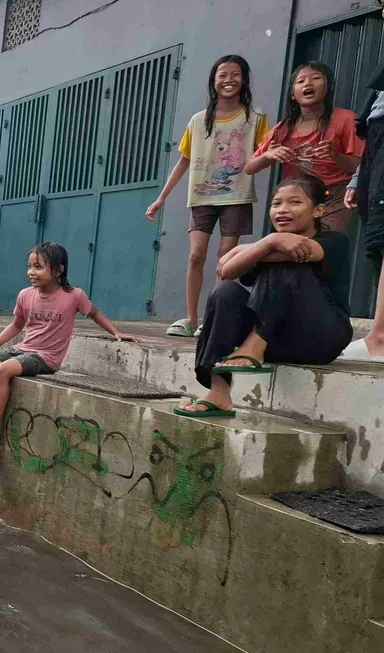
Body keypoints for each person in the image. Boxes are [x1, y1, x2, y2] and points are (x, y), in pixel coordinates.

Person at [0, 242, 141, 461]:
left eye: (38, 267)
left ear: (58, 270)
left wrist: (116, 332)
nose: (31, 272)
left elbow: (94, 313)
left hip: (46, 357)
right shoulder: (25, 295)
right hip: (22, 349)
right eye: (29, 266)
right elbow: (17, 325)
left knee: (1, 372)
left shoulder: (74, 296)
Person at [175, 176, 352, 419]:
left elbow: (292, 254)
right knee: (224, 291)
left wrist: (246, 249)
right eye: (276, 204)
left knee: (288, 266)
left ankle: (253, 347)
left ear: (318, 210)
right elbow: (225, 271)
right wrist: (272, 239)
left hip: (320, 338)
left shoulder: (335, 241)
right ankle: (218, 391)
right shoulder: (269, 243)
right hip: (280, 340)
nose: (282, 210)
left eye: (294, 202)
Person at [146, 55, 270, 337]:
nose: (228, 80)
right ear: (213, 82)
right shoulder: (198, 120)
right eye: (222, 75)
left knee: (225, 258)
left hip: (236, 196)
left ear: (244, 79)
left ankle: (212, 319)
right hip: (201, 197)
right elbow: (183, 161)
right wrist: (161, 198)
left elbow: (267, 153)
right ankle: (191, 319)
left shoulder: (256, 118)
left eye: (235, 74)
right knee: (195, 256)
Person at [246, 61, 364, 233]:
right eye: (300, 81)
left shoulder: (345, 119)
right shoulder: (283, 128)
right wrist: (268, 155)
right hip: (297, 197)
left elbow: (359, 166)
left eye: (315, 78)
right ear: (293, 94)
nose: (308, 83)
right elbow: (249, 168)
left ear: (328, 87)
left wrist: (335, 156)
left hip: (334, 195)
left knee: (325, 244)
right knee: (294, 248)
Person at [341, 0, 384, 361]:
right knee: (379, 242)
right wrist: (359, 177)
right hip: (377, 155)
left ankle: (380, 338)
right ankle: (379, 336)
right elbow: (371, 128)